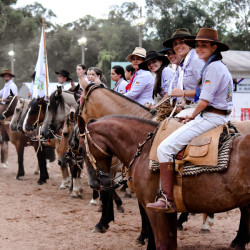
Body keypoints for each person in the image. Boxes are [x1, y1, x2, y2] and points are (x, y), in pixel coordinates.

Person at [147, 28, 233, 213]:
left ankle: (167, 199)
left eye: (204, 45)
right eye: (198, 45)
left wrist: (192, 115)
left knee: (164, 148)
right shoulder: (212, 65)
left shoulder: (212, 68)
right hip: (212, 113)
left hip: (211, 115)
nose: (199, 49)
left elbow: (203, 100)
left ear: (214, 47)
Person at [162, 28, 205, 105]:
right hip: (187, 105)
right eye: (175, 44)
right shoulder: (182, 64)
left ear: (190, 44)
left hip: (200, 108)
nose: (178, 46)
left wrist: (183, 93)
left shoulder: (196, 60)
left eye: (182, 42)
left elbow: (206, 90)